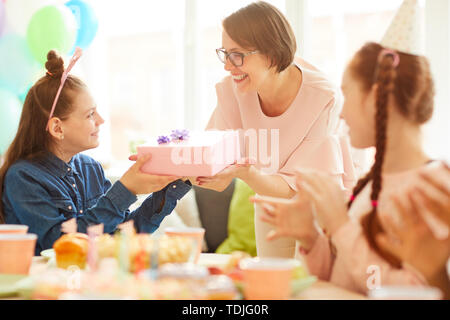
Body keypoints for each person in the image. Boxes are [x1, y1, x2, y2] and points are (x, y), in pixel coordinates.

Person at [251, 0, 448, 295]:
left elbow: (399, 290)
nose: (341, 113)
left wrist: (342, 227)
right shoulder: (372, 186)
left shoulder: (434, 190)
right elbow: (345, 279)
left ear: (376, 96)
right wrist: (311, 239)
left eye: (347, 92)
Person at [193, 1, 356, 258]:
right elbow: (208, 153)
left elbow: (292, 185)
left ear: (271, 53)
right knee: (272, 288)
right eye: (225, 53)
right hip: (269, 202)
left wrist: (245, 174)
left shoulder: (322, 97)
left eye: (237, 55)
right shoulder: (232, 91)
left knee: (313, 293)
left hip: (322, 208)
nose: (227, 65)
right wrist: (170, 165)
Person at [0, 49, 191, 255]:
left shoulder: (90, 168)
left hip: (89, 281)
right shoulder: (23, 178)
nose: (101, 120)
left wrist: (173, 183)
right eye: (90, 114)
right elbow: (60, 246)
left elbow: (121, 236)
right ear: (57, 128)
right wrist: (126, 189)